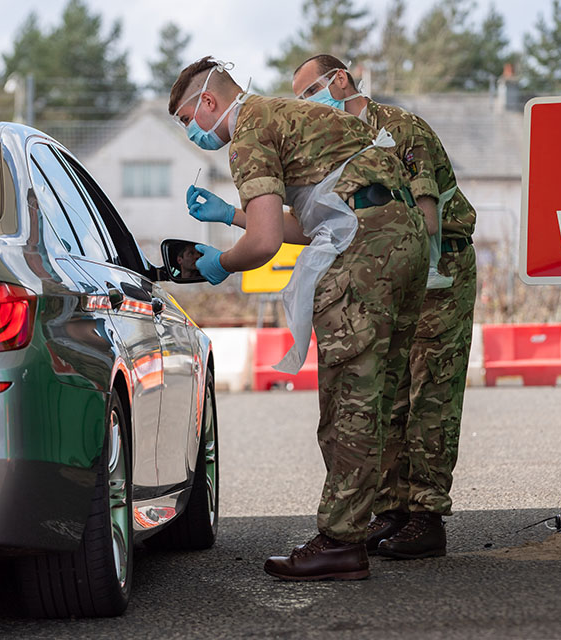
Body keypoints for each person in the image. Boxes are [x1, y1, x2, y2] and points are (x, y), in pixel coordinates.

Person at [169, 56, 429, 580]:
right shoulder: (285, 112)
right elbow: (317, 217)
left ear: (209, 103)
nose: (192, 133)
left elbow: (263, 243)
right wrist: (230, 216)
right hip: (401, 240)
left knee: (349, 399)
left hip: (363, 251)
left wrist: (219, 263)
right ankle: (394, 516)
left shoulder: (248, 129)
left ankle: (340, 541)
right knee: (384, 393)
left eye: (187, 120)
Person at [291, 55, 477, 559]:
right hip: (387, 277)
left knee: (430, 393)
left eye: (311, 93)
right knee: (389, 394)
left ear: (341, 80)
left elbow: (427, 219)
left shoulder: (398, 129)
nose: (308, 106)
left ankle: (426, 516)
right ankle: (393, 508)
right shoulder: (340, 146)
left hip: (440, 273)